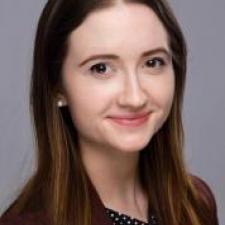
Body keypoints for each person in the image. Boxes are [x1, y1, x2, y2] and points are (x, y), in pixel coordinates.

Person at [0, 0, 219, 225]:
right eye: (101, 68)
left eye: (152, 63)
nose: (135, 98)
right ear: (57, 86)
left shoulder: (195, 202)